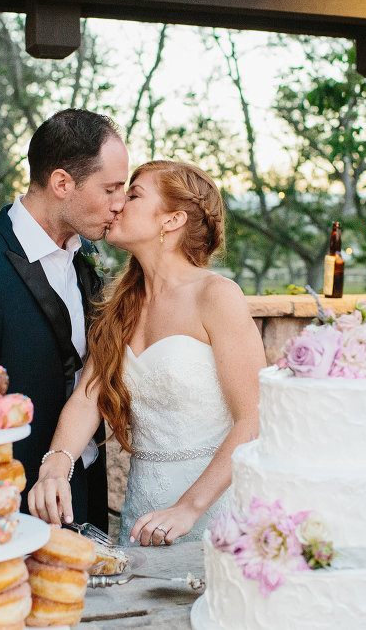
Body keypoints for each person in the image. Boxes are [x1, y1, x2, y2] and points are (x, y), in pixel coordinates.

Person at [28, 160, 265, 546]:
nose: (118, 203)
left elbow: (252, 419)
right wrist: (56, 466)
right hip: (144, 514)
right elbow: (88, 398)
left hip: (215, 510)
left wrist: (189, 508)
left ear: (171, 220)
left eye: (134, 194)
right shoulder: (119, 305)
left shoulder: (216, 296)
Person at [0, 109, 129, 532]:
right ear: (62, 183)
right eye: (110, 188)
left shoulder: (84, 255)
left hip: (84, 492)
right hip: (16, 510)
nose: (120, 203)